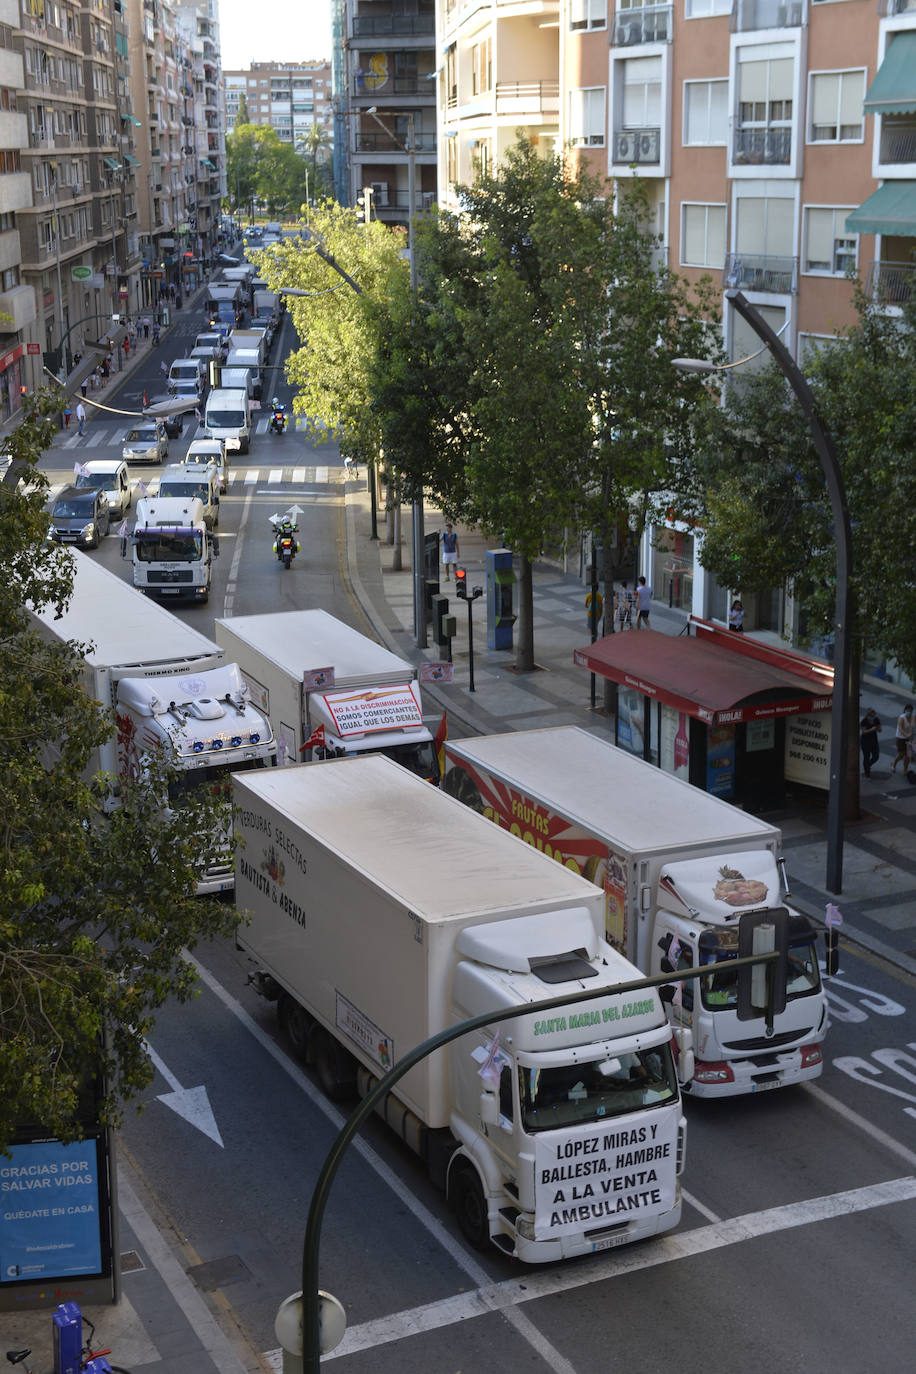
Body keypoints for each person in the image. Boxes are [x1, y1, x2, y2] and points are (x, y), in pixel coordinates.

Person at [892, 703, 914, 774]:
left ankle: (905, 770)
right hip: (900, 738)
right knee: (901, 754)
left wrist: (911, 735)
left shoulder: (913, 718)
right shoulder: (902, 717)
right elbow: (900, 728)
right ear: (905, 710)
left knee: (908, 755)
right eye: (908, 710)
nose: (909, 712)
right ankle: (894, 764)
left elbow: (913, 727)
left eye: (910, 710)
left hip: (909, 738)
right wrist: (906, 735)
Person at [860, 708, 882, 779]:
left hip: (874, 741)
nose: (872, 717)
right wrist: (871, 729)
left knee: (876, 756)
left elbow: (880, 730)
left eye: (874, 716)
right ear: (868, 715)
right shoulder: (864, 721)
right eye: (871, 716)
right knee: (866, 757)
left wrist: (879, 729)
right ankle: (867, 772)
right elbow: (863, 732)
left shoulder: (876, 720)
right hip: (865, 742)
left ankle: (868, 765)